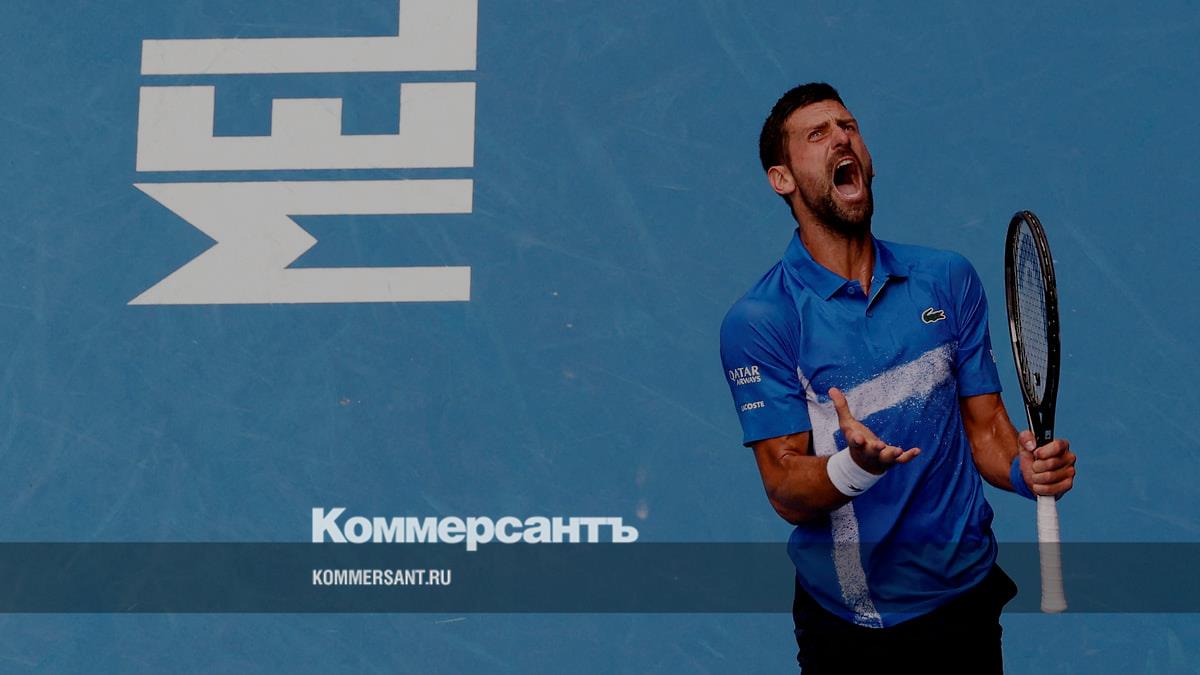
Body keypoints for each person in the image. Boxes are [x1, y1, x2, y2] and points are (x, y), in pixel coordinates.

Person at [719, 83, 1077, 673]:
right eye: (817, 134)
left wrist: (1025, 468)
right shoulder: (764, 321)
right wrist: (853, 467)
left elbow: (986, 428)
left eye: (848, 127)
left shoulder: (947, 279)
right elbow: (784, 488)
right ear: (782, 179)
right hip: (856, 624)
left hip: (966, 598)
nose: (842, 138)